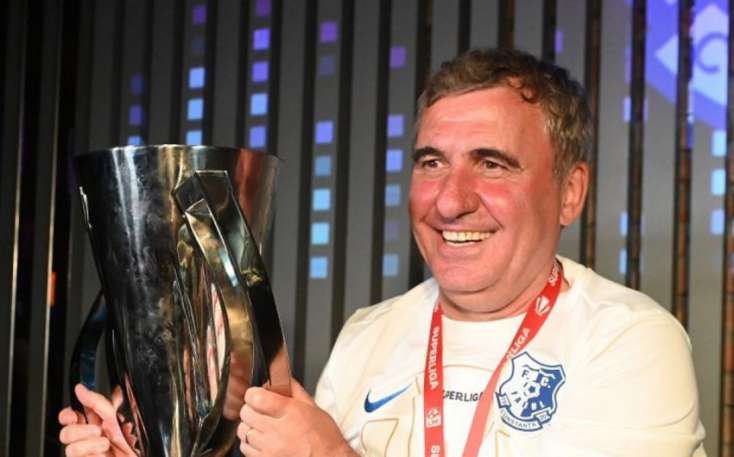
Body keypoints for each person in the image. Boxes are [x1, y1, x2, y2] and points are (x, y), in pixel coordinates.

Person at [59, 48, 706, 456]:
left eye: (492, 163)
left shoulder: (629, 341)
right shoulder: (369, 333)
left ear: (570, 192)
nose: (451, 200)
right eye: (432, 162)